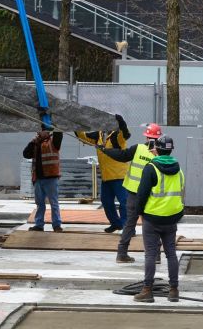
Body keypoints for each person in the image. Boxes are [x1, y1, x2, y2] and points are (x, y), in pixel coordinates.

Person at [132, 136, 184, 303]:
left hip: (152, 218)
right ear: (171, 150)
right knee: (171, 254)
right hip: (171, 219)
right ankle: (174, 290)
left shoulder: (151, 168)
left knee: (150, 254)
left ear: (157, 149)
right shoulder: (179, 169)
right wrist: (178, 214)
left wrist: (139, 212)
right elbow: (181, 193)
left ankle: (147, 290)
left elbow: (141, 194)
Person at [101, 123, 163, 263]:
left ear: (146, 137)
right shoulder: (160, 154)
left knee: (130, 224)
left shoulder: (138, 148)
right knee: (152, 225)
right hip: (150, 196)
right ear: (159, 138)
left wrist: (106, 150)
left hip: (134, 193)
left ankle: (121, 254)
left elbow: (122, 156)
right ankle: (155, 255)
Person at [76, 114, 131, 233]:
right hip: (106, 177)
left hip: (119, 176)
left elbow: (125, 133)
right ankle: (116, 223)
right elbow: (83, 136)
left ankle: (127, 227)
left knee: (124, 202)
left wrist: (121, 121)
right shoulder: (99, 135)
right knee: (106, 202)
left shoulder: (117, 136)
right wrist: (74, 125)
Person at [23, 128, 64, 232]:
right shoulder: (36, 144)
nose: (38, 132)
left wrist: (54, 123)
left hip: (50, 178)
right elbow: (26, 154)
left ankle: (57, 225)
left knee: (53, 202)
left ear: (47, 132)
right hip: (38, 179)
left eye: (41, 130)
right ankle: (39, 224)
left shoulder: (53, 141)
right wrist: (32, 142)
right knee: (39, 203)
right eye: (38, 131)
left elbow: (59, 133)